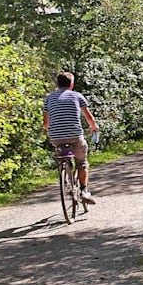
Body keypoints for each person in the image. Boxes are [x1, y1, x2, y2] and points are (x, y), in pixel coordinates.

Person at [43, 72, 100, 204]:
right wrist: (94, 127)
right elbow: (89, 118)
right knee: (82, 163)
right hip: (75, 135)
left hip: (56, 137)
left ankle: (64, 172)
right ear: (72, 85)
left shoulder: (49, 98)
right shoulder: (77, 96)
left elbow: (46, 123)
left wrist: (49, 130)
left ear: (57, 85)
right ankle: (84, 191)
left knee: (60, 153)